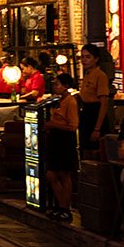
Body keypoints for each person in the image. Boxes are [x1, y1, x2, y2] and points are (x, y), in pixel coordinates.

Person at [41, 74, 81, 220]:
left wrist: (52, 124)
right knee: (51, 174)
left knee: (64, 174)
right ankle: (61, 205)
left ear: (65, 86)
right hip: (55, 139)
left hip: (65, 140)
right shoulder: (59, 100)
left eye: (57, 84)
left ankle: (65, 208)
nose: (54, 86)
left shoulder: (70, 102)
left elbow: (73, 126)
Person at [77, 46, 114, 153]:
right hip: (86, 114)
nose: (84, 60)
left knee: (96, 150)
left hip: (95, 114)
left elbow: (104, 104)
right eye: (82, 57)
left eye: (88, 57)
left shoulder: (100, 75)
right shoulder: (87, 74)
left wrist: (97, 129)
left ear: (96, 59)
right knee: (85, 149)